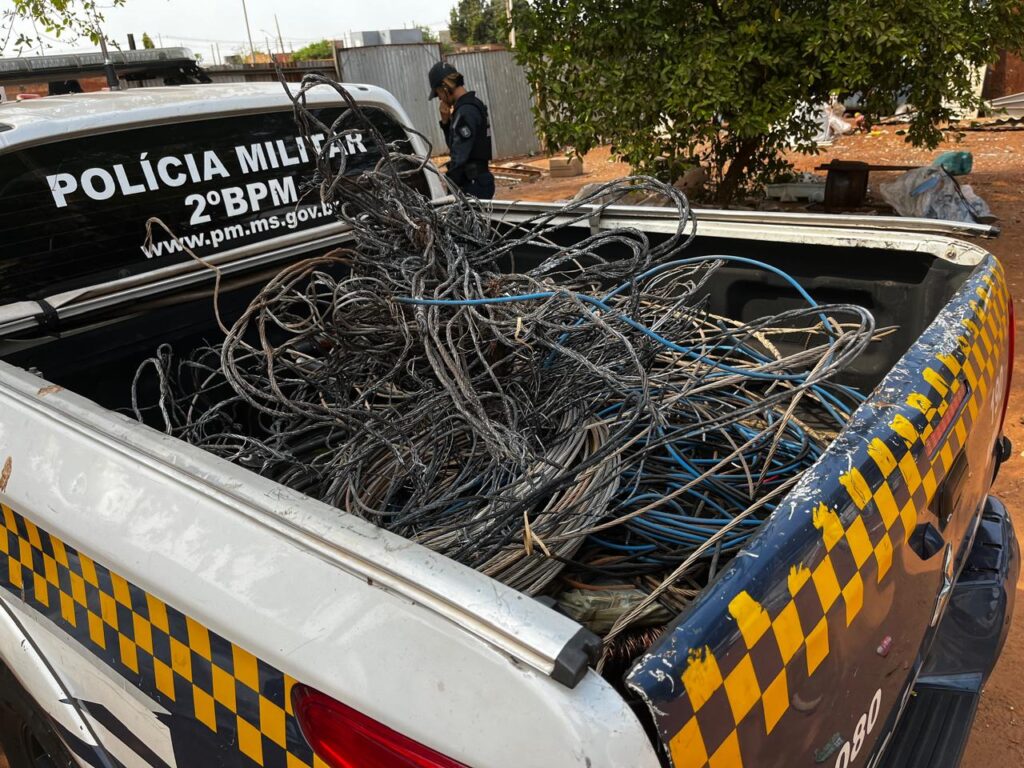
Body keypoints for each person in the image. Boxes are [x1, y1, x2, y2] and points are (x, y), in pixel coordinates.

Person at [428, 61, 495, 199]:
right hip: (477, 182)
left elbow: (459, 155)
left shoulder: (466, 112)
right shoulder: (471, 106)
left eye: (438, 93)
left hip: (472, 185)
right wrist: (446, 123)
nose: (439, 98)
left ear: (445, 87)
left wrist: (450, 189)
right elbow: (457, 146)